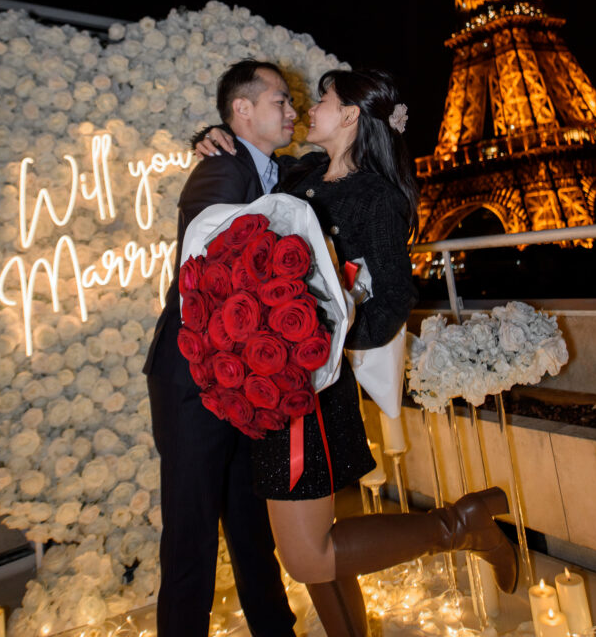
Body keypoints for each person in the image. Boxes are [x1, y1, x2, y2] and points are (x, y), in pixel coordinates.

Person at [197, 67, 517, 637]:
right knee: (315, 551)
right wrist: (208, 135)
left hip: (310, 386)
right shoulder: (300, 174)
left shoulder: (378, 196)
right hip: (278, 377)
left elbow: (394, 298)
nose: (308, 108)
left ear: (348, 116)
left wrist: (322, 337)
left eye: (322, 99)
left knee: (306, 555)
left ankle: (459, 527)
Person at [143, 60, 297, 637]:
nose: (291, 111)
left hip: (236, 376)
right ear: (243, 110)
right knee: (191, 538)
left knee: (250, 526)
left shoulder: (269, 170)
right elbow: (205, 272)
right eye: (280, 100)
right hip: (192, 378)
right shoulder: (220, 172)